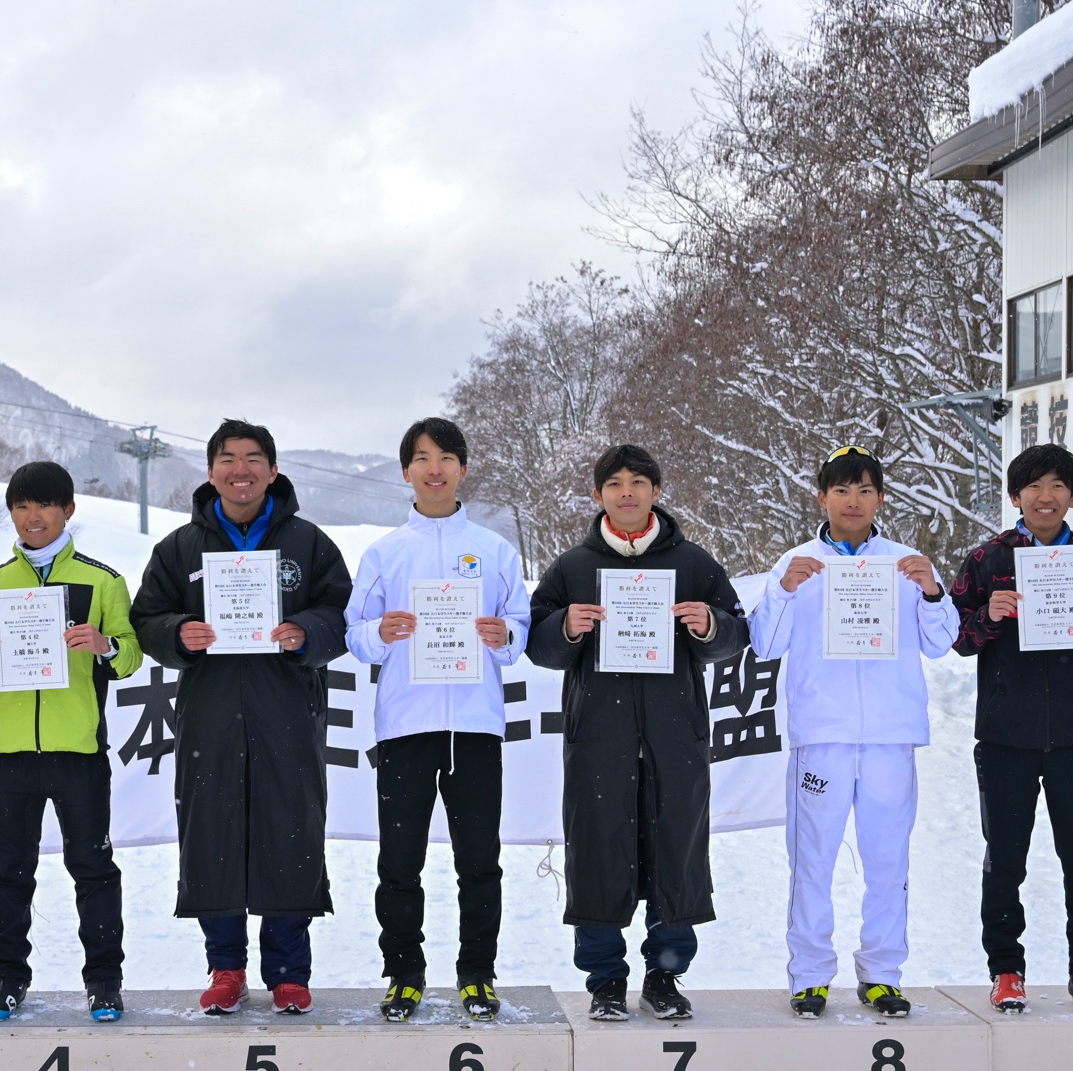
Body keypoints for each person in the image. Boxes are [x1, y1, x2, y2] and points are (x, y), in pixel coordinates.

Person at [132, 419, 351, 1014]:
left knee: (290, 832)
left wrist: (306, 631)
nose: (241, 470)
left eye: (254, 458)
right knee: (213, 833)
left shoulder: (308, 543)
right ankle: (225, 966)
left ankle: (288, 971)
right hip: (210, 715)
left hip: (289, 712)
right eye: (227, 458)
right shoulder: (179, 548)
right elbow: (147, 617)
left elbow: (341, 612)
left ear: (273, 471)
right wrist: (179, 632)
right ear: (210, 472)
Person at [527, 444, 747, 1022]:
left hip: (675, 734)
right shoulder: (573, 567)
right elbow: (537, 643)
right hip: (599, 735)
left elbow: (735, 631)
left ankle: (665, 974)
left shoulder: (693, 563)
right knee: (598, 846)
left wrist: (710, 625)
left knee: (676, 847)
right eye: (615, 483)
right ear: (598, 494)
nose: (627, 492)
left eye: (638, 482)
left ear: (656, 492)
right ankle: (604, 979)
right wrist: (565, 626)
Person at [750, 447, 958, 1020]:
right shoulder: (797, 563)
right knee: (812, 861)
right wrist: (784, 590)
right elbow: (765, 644)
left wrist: (933, 592)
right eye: (841, 490)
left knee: (888, 861)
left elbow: (942, 642)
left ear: (881, 499)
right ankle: (810, 975)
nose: (853, 501)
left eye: (865, 490)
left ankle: (882, 974)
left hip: (890, 737)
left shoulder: (906, 564)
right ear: (822, 497)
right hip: (823, 737)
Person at [343, 417, 531, 1020]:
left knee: (479, 861)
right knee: (400, 862)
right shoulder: (385, 552)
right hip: (406, 726)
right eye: (423, 458)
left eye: (447, 457)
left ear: (463, 470)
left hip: (476, 726)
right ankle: (403, 974)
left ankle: (477, 974)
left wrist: (504, 636)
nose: (435, 468)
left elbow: (519, 629)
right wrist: (380, 631)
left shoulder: (495, 550)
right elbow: (355, 633)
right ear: (406, 471)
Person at [0, 461, 142, 1021]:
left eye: (45, 505)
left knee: (93, 869)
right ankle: (8, 978)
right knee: (10, 873)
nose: (33, 517)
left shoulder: (102, 581)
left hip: (79, 751)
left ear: (68, 510)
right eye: (21, 506)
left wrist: (104, 644)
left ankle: (104, 981)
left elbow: (130, 655)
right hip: (8, 754)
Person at [947, 443, 1073, 1016]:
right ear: (1016, 496)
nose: (1045, 496)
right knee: (1005, 859)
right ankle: (1006, 969)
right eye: (1033, 485)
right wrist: (988, 616)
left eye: (1057, 486)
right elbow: (955, 639)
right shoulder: (988, 560)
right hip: (1005, 735)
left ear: (1072, 496)